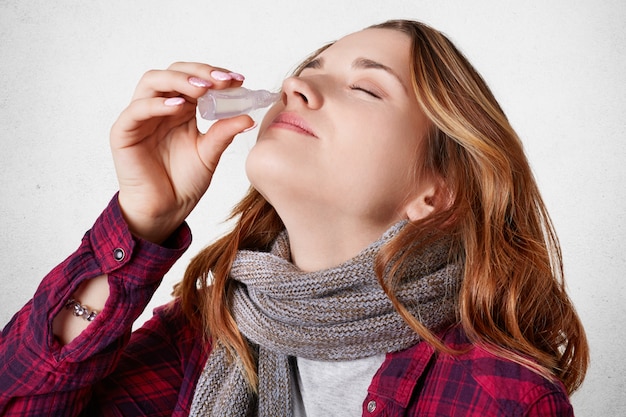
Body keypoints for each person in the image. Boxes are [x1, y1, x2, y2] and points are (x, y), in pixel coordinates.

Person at [0, 19, 588, 416]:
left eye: (366, 88)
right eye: (308, 68)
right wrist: (143, 220)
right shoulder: (207, 334)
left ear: (437, 191)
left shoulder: (499, 396)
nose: (296, 84)